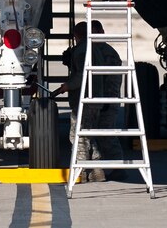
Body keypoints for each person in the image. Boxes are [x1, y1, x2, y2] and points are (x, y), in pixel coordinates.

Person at [51, 20, 123, 183]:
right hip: (100, 99)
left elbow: (87, 75)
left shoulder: (97, 51)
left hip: (99, 99)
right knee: (95, 135)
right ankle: (98, 171)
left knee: (83, 135)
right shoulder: (97, 50)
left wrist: (68, 86)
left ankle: (83, 170)